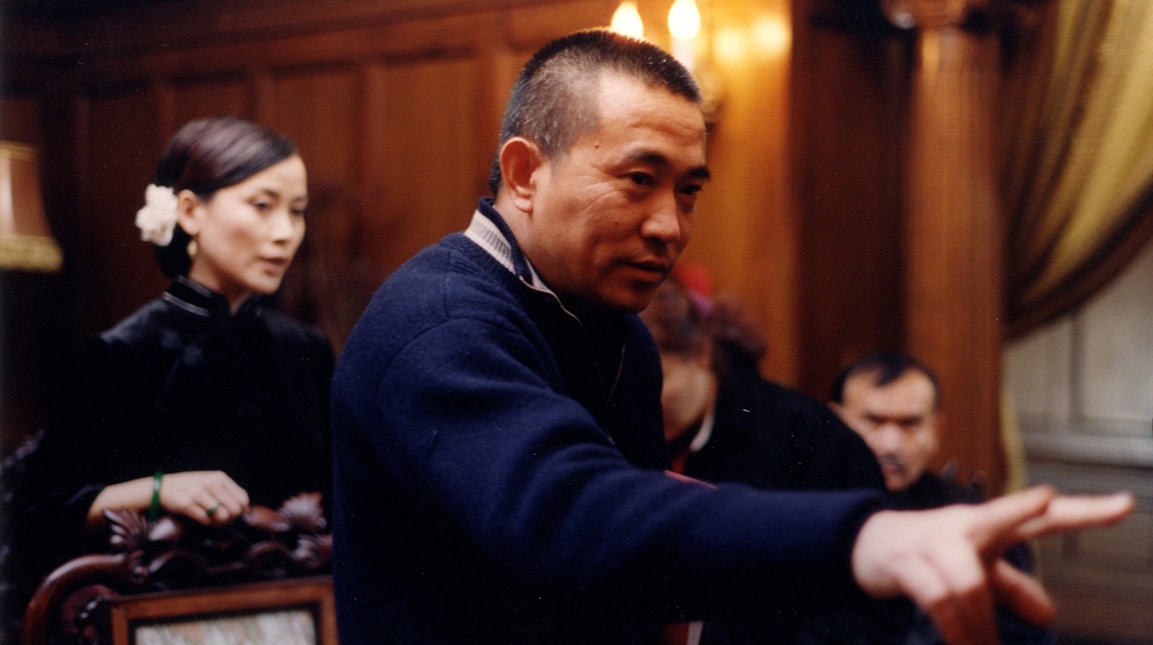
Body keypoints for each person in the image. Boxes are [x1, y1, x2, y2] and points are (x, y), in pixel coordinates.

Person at [330, 28, 1132, 645]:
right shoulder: (440, 322)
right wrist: (866, 537)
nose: (670, 226)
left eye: (688, 191)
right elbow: (569, 511)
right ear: (523, 172)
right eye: (638, 180)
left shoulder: (615, 328)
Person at [3, 116, 334, 639]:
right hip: (158, 620)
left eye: (296, 211)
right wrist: (160, 490)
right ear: (189, 211)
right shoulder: (122, 354)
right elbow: (39, 513)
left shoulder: (305, 350)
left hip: (291, 616)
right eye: (262, 205)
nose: (284, 233)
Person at [640, 270, 888, 643]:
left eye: (654, 381)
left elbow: (862, 610)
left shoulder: (809, 437)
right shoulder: (612, 427)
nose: (636, 398)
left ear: (702, 353)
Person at [829, 350, 1055, 644]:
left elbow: (1024, 634)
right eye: (873, 421)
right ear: (835, 422)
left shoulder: (974, 516)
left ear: (936, 430)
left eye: (910, 424)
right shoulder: (806, 518)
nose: (891, 445)